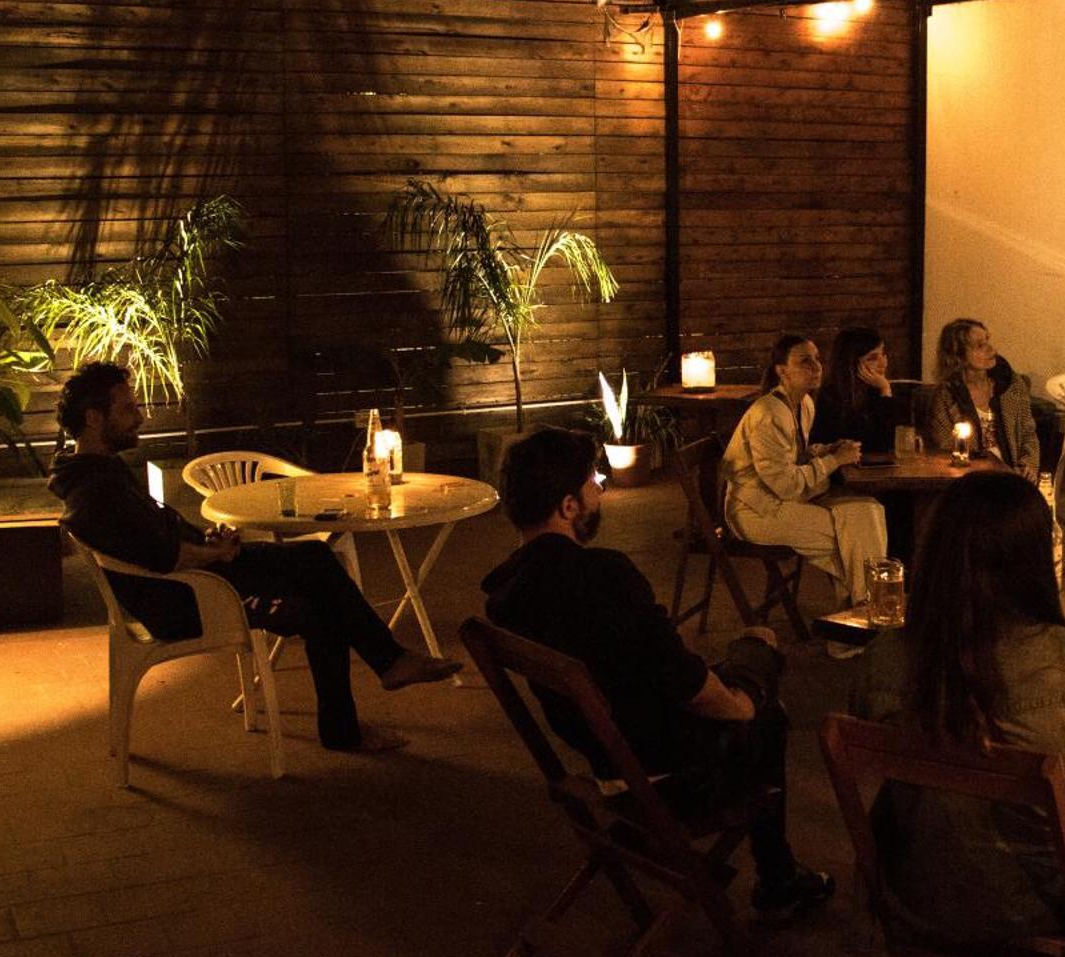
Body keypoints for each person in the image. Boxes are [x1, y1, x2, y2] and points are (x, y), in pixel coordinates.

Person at [480, 429, 836, 920]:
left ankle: (779, 877)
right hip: (658, 763)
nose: (600, 490)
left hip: (603, 748)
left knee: (746, 657)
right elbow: (684, 685)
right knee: (763, 684)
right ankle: (777, 880)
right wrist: (739, 702)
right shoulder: (602, 577)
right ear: (567, 506)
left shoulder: (507, 594)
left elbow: (652, 664)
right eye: (593, 481)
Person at [49, 362, 462, 752]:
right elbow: (161, 557)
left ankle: (383, 674)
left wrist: (208, 545)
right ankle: (369, 691)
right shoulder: (93, 493)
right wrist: (208, 555)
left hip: (192, 580)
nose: (139, 416)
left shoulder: (97, 474)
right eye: (127, 408)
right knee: (319, 597)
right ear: (94, 418)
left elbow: (149, 538)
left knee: (317, 560)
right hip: (188, 600)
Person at [852, 470, 1065, 945]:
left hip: (923, 893)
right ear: (1035, 561)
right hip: (1050, 906)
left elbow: (871, 751)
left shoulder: (884, 659)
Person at [722, 334, 889, 609]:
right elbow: (785, 484)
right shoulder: (769, 414)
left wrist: (826, 450)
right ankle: (862, 618)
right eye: (804, 361)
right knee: (853, 540)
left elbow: (794, 457)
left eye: (817, 359)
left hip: (786, 499)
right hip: (756, 510)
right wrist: (833, 461)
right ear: (781, 370)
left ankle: (859, 615)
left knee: (869, 511)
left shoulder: (805, 403)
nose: (816, 366)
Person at [924, 317, 1039, 480]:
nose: (991, 349)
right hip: (970, 479)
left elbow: (1028, 433)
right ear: (959, 355)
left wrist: (1028, 465)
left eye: (987, 341)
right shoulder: (946, 396)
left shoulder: (1010, 385)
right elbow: (943, 450)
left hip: (1013, 474)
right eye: (979, 345)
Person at [811, 325, 901, 453]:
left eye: (883, 354)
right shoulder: (832, 395)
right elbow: (875, 445)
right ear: (852, 363)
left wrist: (885, 391)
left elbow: (892, 443)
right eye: (872, 358)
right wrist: (885, 392)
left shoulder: (877, 389)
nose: (883, 363)